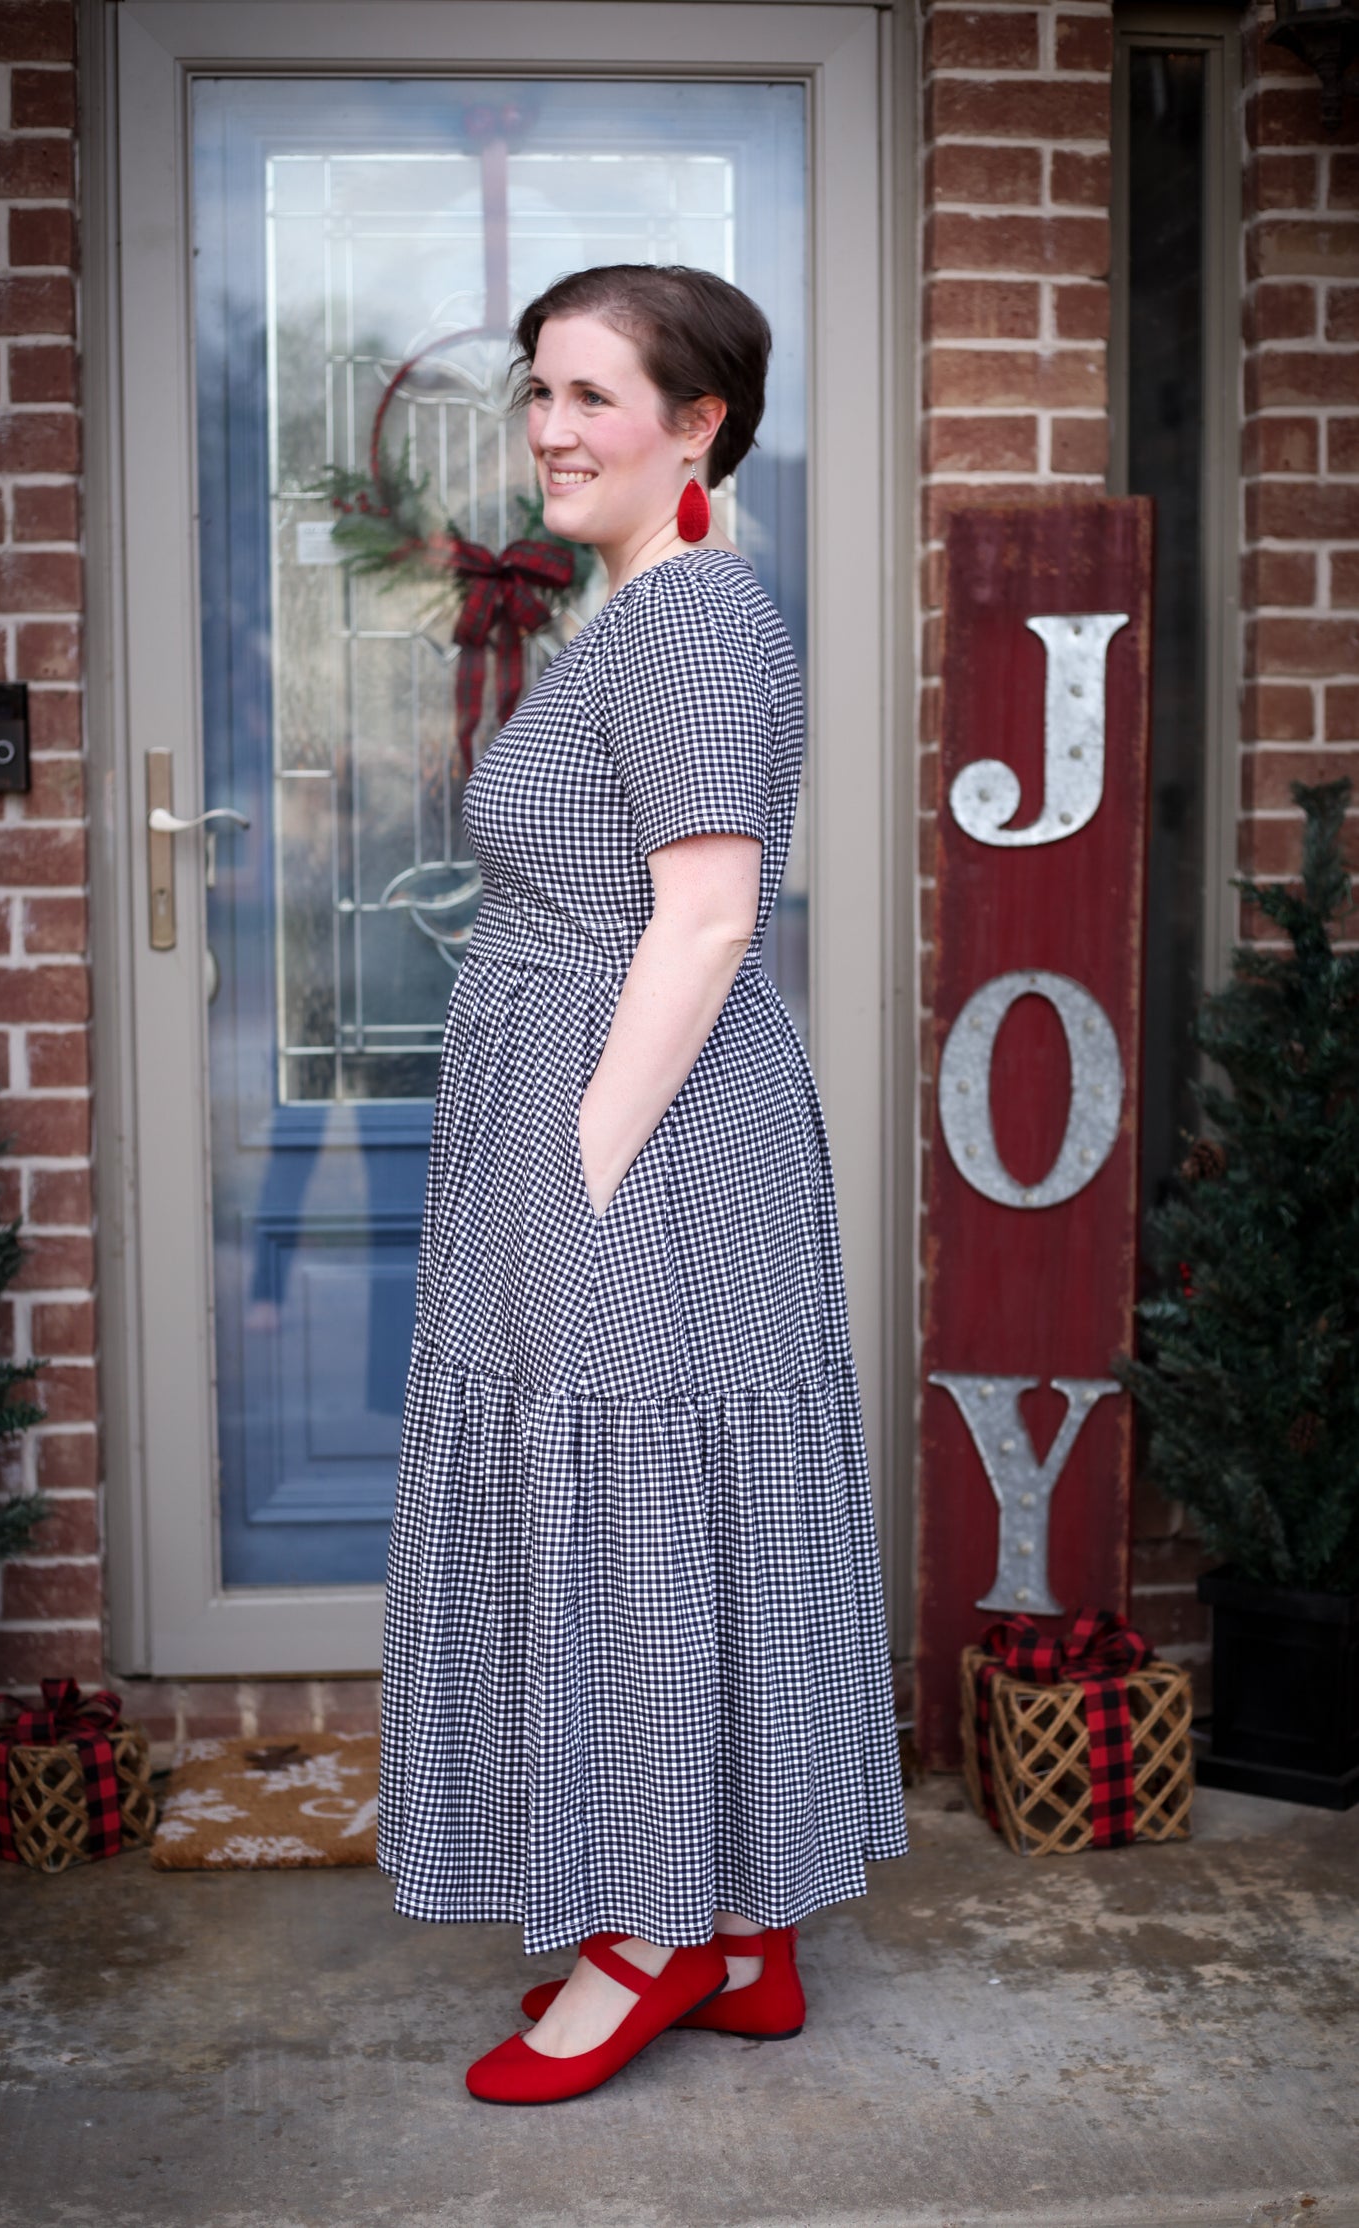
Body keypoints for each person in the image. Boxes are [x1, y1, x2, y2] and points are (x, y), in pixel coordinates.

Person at [375, 263, 908, 2106]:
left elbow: (705, 918)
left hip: (646, 1134)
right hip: (612, 1109)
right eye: (539, 392)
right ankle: (745, 1935)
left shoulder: (688, 621)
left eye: (594, 396)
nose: (549, 431)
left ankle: (655, 1932)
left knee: (639, 1515)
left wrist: (584, 1161)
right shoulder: (633, 613)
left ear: (700, 427)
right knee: (670, 1500)